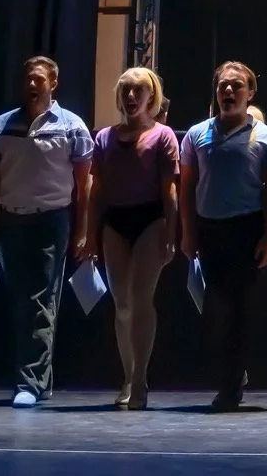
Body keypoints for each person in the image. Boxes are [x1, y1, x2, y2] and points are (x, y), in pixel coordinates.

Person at [0, 56, 94, 408]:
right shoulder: (2, 126)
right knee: (22, 301)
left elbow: (84, 184)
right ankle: (41, 379)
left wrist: (83, 230)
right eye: (28, 78)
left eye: (39, 78)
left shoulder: (72, 126)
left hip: (52, 220)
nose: (32, 84)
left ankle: (29, 383)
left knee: (41, 302)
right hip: (12, 220)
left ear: (54, 83)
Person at [180, 60, 267, 412]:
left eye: (236, 86)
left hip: (248, 231)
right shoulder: (196, 134)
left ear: (250, 92)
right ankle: (229, 376)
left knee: (241, 312)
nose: (228, 91)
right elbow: (187, 188)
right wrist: (188, 233)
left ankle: (230, 387)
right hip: (210, 231)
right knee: (216, 311)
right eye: (223, 86)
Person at [87, 66, 179, 409]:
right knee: (122, 304)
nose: (130, 96)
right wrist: (88, 232)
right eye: (125, 90)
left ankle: (140, 380)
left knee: (141, 300)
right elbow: (95, 189)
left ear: (151, 96)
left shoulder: (163, 135)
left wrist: (171, 229)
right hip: (115, 222)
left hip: (150, 219)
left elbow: (170, 186)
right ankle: (127, 376)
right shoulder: (104, 137)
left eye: (138, 90)